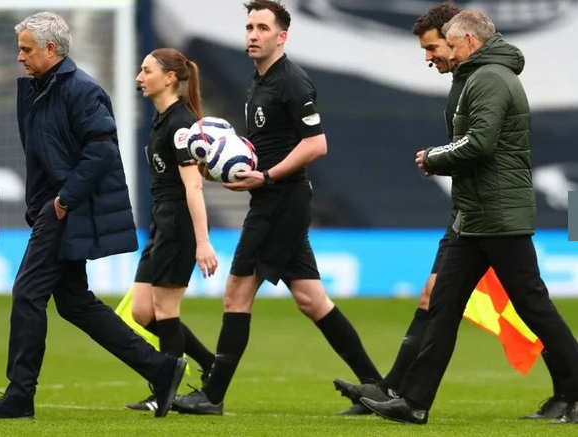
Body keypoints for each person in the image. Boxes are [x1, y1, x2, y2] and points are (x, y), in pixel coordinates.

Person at [333, 2, 570, 420]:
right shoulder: (480, 76)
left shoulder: (491, 79)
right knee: (443, 308)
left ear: (470, 41)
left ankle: (571, 389)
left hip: (497, 215)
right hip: (475, 214)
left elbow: (480, 143)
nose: (443, 54)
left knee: (533, 307)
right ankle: (414, 402)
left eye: (449, 45)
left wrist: (435, 158)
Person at [171, 0, 381, 415]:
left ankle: (211, 397)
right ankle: (380, 389)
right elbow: (262, 150)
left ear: (281, 37)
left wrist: (267, 177)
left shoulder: (292, 81)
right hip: (272, 197)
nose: (252, 34)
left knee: (236, 294)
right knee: (312, 300)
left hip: (281, 201)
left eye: (262, 28)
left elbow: (316, 144)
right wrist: (231, 174)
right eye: (249, 26)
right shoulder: (258, 82)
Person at [0, 12, 186, 419]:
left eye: (27, 49)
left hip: (64, 210)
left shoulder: (82, 90)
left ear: (51, 49)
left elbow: (102, 151)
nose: (19, 57)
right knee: (75, 304)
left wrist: (63, 202)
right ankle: (161, 367)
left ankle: (19, 395)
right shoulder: (40, 88)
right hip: (52, 209)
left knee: (29, 295)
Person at [123, 48, 219, 412]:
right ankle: (210, 363)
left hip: (176, 226)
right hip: (160, 224)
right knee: (142, 312)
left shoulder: (181, 125)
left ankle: (165, 393)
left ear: (168, 78)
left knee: (165, 311)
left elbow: (194, 186)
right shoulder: (162, 119)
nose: (138, 77)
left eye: (145, 70)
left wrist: (203, 242)